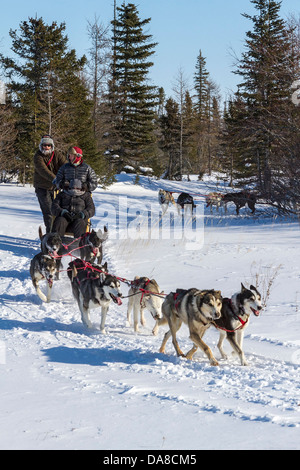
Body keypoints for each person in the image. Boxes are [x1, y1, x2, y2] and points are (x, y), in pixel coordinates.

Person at [33, 134, 67, 233]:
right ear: (41, 145)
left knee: (58, 211)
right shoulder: (38, 156)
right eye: (44, 145)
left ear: (52, 146)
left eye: (48, 145)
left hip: (55, 188)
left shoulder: (57, 154)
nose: (46, 147)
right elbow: (43, 170)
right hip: (42, 188)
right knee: (48, 212)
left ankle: (58, 233)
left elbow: (65, 165)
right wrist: (56, 179)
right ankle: (50, 235)